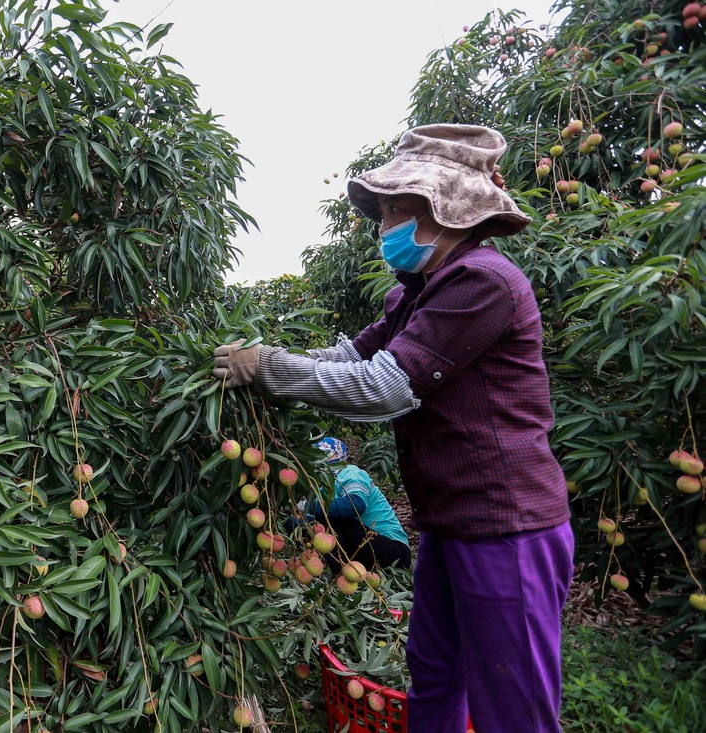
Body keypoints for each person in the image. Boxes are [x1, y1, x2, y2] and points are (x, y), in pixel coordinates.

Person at [212, 124, 573, 733]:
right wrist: (261, 354)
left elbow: (383, 388)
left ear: (448, 212)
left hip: (505, 526)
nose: (385, 229)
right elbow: (350, 359)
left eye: (396, 212)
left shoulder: (482, 283)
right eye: (382, 214)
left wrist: (269, 369)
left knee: (512, 703)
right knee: (435, 672)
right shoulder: (419, 292)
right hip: (449, 521)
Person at [288, 436, 411, 570]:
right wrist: (286, 520)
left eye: (323, 454)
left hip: (395, 553)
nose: (316, 460)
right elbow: (311, 524)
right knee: (318, 522)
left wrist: (307, 507)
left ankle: (339, 571)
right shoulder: (322, 488)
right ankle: (342, 576)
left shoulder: (350, 472)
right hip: (364, 555)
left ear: (336, 455)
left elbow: (355, 505)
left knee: (326, 516)